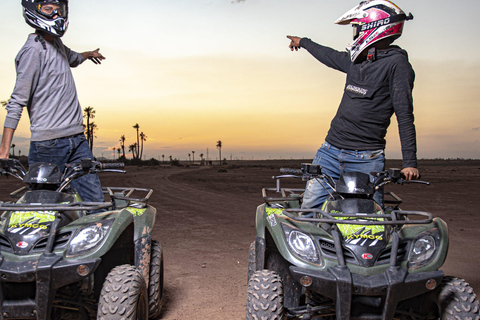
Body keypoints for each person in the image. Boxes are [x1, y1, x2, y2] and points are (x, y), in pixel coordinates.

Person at [287, 0, 419, 209]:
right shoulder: (359, 61)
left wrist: (410, 162)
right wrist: (303, 42)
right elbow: (329, 56)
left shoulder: (397, 65)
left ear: (373, 28)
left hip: (366, 159)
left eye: (357, 29)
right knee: (309, 211)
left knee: (369, 223)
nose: (355, 35)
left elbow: (404, 115)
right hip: (329, 151)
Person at [0, 0, 106, 203]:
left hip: (77, 139)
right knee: (44, 209)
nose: (56, 14)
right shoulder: (33, 50)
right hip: (49, 144)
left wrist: (89, 54)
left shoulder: (57, 44)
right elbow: (17, 101)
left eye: (59, 10)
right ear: (34, 12)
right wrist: (4, 152)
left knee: (95, 203)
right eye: (49, 9)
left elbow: (74, 58)